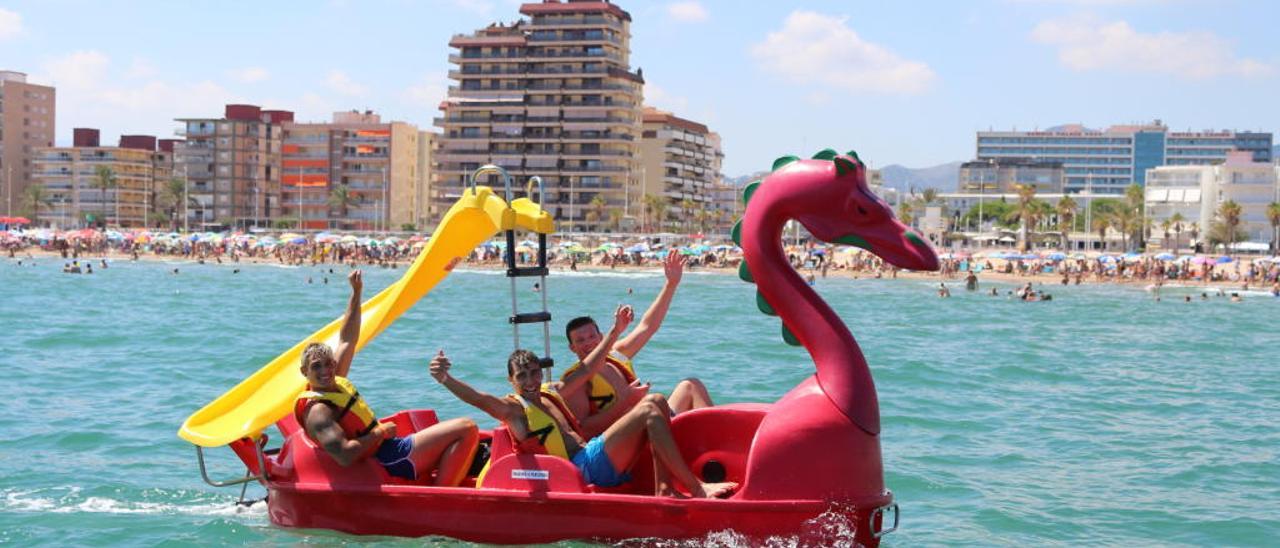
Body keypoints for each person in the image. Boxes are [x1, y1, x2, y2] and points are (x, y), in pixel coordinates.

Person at [430, 305, 736, 499]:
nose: (530, 381)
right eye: (522, 376)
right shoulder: (514, 409)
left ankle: (665, 488)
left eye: (534, 373)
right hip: (582, 468)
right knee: (650, 409)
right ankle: (696, 488)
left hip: (590, 455)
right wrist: (446, 379)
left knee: (654, 402)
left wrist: (615, 331)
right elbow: (479, 399)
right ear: (512, 382)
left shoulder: (552, 391)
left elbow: (589, 367)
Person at [296, 269, 479, 485]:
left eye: (328, 364)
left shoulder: (334, 381)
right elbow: (344, 455)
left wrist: (356, 293)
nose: (325, 371)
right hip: (387, 459)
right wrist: (380, 433)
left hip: (389, 448)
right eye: (317, 367)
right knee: (467, 428)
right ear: (304, 372)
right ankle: (442, 500)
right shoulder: (319, 411)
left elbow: (347, 339)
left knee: (473, 439)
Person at [561, 250, 712, 438]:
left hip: (652, 421)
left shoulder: (616, 355)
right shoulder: (576, 380)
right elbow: (585, 429)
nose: (588, 343)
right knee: (656, 403)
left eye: (592, 336)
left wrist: (671, 284)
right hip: (626, 439)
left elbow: (648, 326)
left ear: (601, 337)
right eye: (580, 340)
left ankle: (717, 446)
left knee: (691, 386)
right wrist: (624, 402)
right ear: (572, 348)